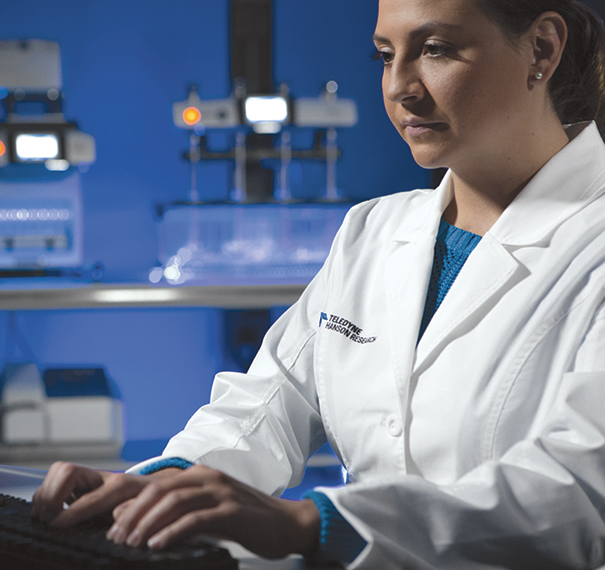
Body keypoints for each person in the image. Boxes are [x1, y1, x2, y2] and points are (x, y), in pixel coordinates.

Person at [31, 0, 605, 567]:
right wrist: (165, 484)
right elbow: (269, 404)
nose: (400, 86)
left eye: (435, 49)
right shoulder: (374, 230)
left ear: (541, 49)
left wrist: (315, 523)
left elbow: (579, 491)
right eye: (385, 55)